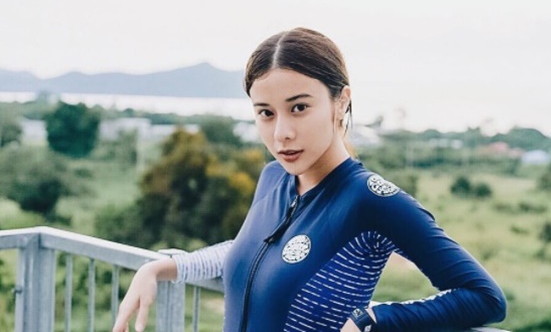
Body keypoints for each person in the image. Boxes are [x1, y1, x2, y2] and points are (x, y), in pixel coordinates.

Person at [112, 27, 507, 332]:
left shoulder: (370, 199)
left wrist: (375, 319)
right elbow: (252, 251)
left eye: (299, 108)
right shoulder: (273, 178)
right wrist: (164, 268)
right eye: (266, 113)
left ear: (341, 102)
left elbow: (485, 297)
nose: (281, 133)